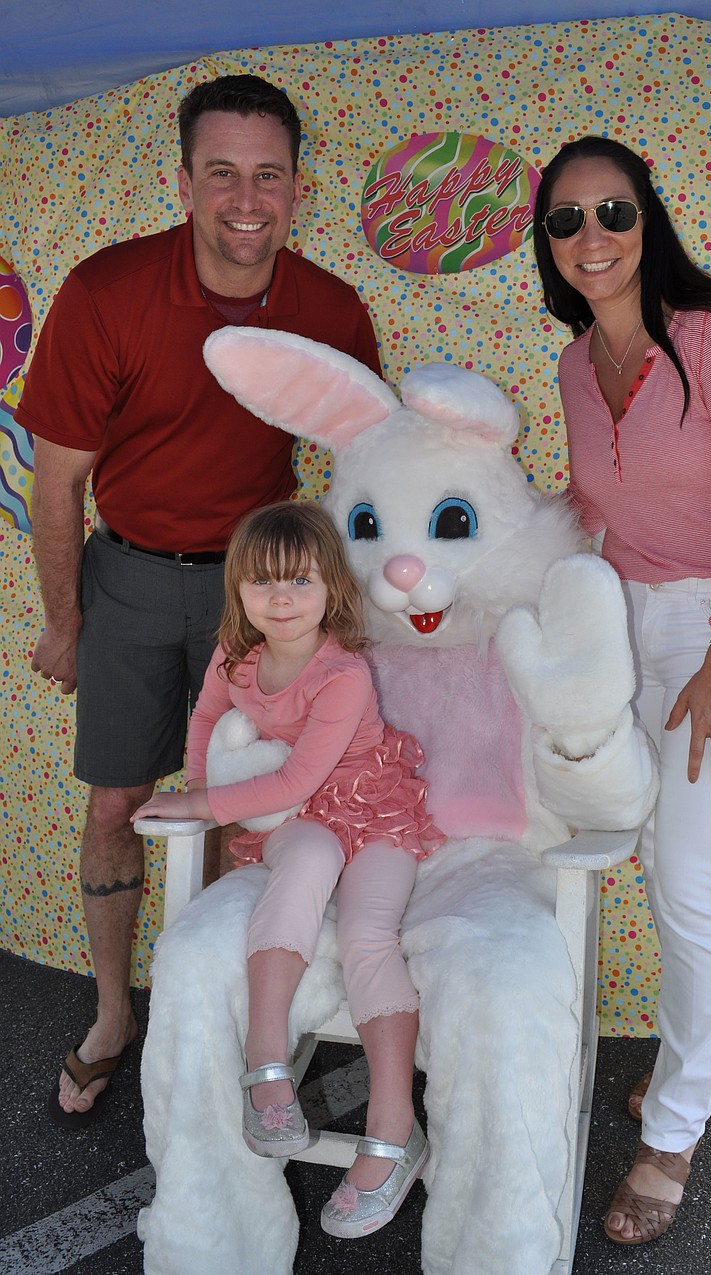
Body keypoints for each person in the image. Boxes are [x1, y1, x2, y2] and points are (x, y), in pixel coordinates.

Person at [15, 72, 382, 1127]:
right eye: (221, 172)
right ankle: (112, 1014)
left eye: (268, 175)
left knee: (247, 812)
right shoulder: (106, 292)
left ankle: (218, 1016)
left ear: (299, 188)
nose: (245, 199)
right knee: (116, 807)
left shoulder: (330, 309)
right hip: (127, 579)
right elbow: (57, 483)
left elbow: (367, 469)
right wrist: (65, 622)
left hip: (260, 595)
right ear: (183, 183)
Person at [533, 135, 711, 1245]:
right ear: (547, 245)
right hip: (627, 621)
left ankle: (676, 1129)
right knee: (647, 852)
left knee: (690, 878)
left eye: (613, 211)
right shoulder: (572, 366)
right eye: (565, 220)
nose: (591, 236)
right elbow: (593, 510)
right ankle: (700, 1043)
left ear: (648, 219)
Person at [133, 501, 442, 1236]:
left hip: (373, 813)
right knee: (305, 858)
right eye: (262, 581)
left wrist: (203, 802)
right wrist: (203, 776)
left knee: (368, 932)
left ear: (331, 586)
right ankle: (266, 1059)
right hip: (299, 824)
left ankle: (394, 1126)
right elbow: (206, 719)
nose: (281, 598)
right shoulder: (235, 657)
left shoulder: (343, 673)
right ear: (237, 589)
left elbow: (297, 779)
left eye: (300, 580)